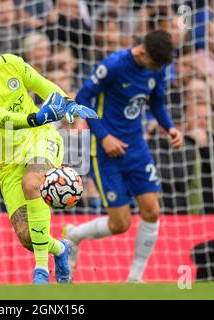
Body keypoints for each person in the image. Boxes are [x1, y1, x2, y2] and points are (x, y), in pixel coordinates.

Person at [0, 32, 97, 284]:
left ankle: (40, 271)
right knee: (29, 238)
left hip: (40, 137)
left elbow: (42, 84)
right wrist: (35, 117)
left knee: (32, 183)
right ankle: (61, 249)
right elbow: (0, 119)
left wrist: (67, 103)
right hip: (6, 160)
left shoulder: (9, 63)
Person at [62, 30, 183, 282]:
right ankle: (73, 235)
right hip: (105, 151)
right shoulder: (114, 65)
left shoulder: (156, 67)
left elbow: (157, 103)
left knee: (151, 210)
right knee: (120, 224)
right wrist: (103, 136)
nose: (156, 69)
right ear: (141, 52)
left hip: (136, 148)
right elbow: (83, 98)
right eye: (153, 64)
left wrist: (169, 126)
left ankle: (134, 279)